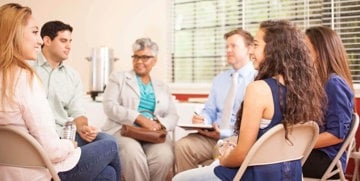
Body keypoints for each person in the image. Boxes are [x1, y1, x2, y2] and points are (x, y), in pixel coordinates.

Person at [0, 3, 120, 181]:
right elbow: (52, 151)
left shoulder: (70, 75)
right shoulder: (26, 77)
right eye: (34, 32)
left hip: (9, 170)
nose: (39, 40)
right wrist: (70, 145)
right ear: (15, 33)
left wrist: (82, 128)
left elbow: (77, 110)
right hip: (41, 168)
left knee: (107, 174)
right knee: (110, 145)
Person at [213, 20, 326, 181]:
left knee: (182, 178)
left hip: (254, 175)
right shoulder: (305, 90)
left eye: (256, 45)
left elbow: (242, 154)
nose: (250, 51)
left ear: (274, 49)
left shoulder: (258, 89)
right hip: (292, 175)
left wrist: (222, 159)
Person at [174, 28, 257, 174]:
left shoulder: (257, 79)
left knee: (222, 152)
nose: (228, 50)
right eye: (227, 46)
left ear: (249, 48)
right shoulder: (220, 79)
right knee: (183, 146)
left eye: (233, 46)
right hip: (212, 136)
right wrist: (203, 119)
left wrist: (223, 133)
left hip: (237, 139)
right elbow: (210, 111)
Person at [101, 37, 179, 181]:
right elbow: (109, 106)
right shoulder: (118, 78)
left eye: (145, 57)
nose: (139, 61)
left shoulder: (162, 86)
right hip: (123, 130)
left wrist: (159, 124)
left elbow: (173, 115)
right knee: (133, 154)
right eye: (136, 56)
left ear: (154, 60)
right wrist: (139, 118)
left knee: (164, 156)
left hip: (152, 134)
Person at [302, 26, 355, 179]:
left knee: (272, 163)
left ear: (320, 51)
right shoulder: (316, 83)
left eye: (306, 48)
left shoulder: (334, 83)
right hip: (314, 153)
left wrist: (299, 144)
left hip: (326, 159)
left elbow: (336, 134)